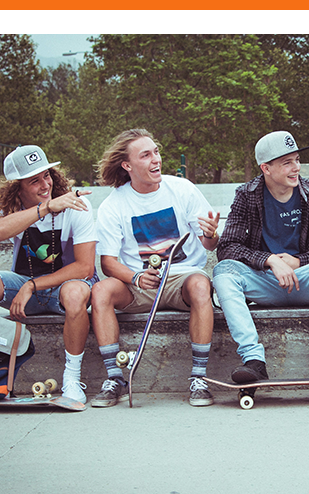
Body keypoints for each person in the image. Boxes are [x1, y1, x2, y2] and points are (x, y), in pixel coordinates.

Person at [90, 129, 219, 407]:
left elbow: (209, 245)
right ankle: (115, 377)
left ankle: (199, 378)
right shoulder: (113, 205)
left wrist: (211, 234)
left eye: (156, 152)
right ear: (127, 166)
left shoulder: (182, 189)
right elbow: (107, 263)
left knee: (200, 285)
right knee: (100, 291)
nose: (155, 160)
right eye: (145, 155)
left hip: (182, 279)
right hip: (139, 285)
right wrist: (135, 277)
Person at [212, 130, 309, 383]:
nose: (296, 167)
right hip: (265, 281)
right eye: (287, 162)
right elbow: (227, 247)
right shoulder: (247, 195)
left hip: (305, 280)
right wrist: (269, 259)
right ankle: (254, 360)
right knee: (224, 272)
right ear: (266, 168)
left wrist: (299, 261)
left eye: (297, 160)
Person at [0, 145, 98, 404]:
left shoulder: (76, 203)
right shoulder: (10, 206)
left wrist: (31, 286)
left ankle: (71, 379)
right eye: (34, 181)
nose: (44, 185)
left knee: (74, 292)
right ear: (17, 187)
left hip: (68, 286)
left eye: (47, 175)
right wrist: (45, 208)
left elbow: (85, 268)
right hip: (26, 287)